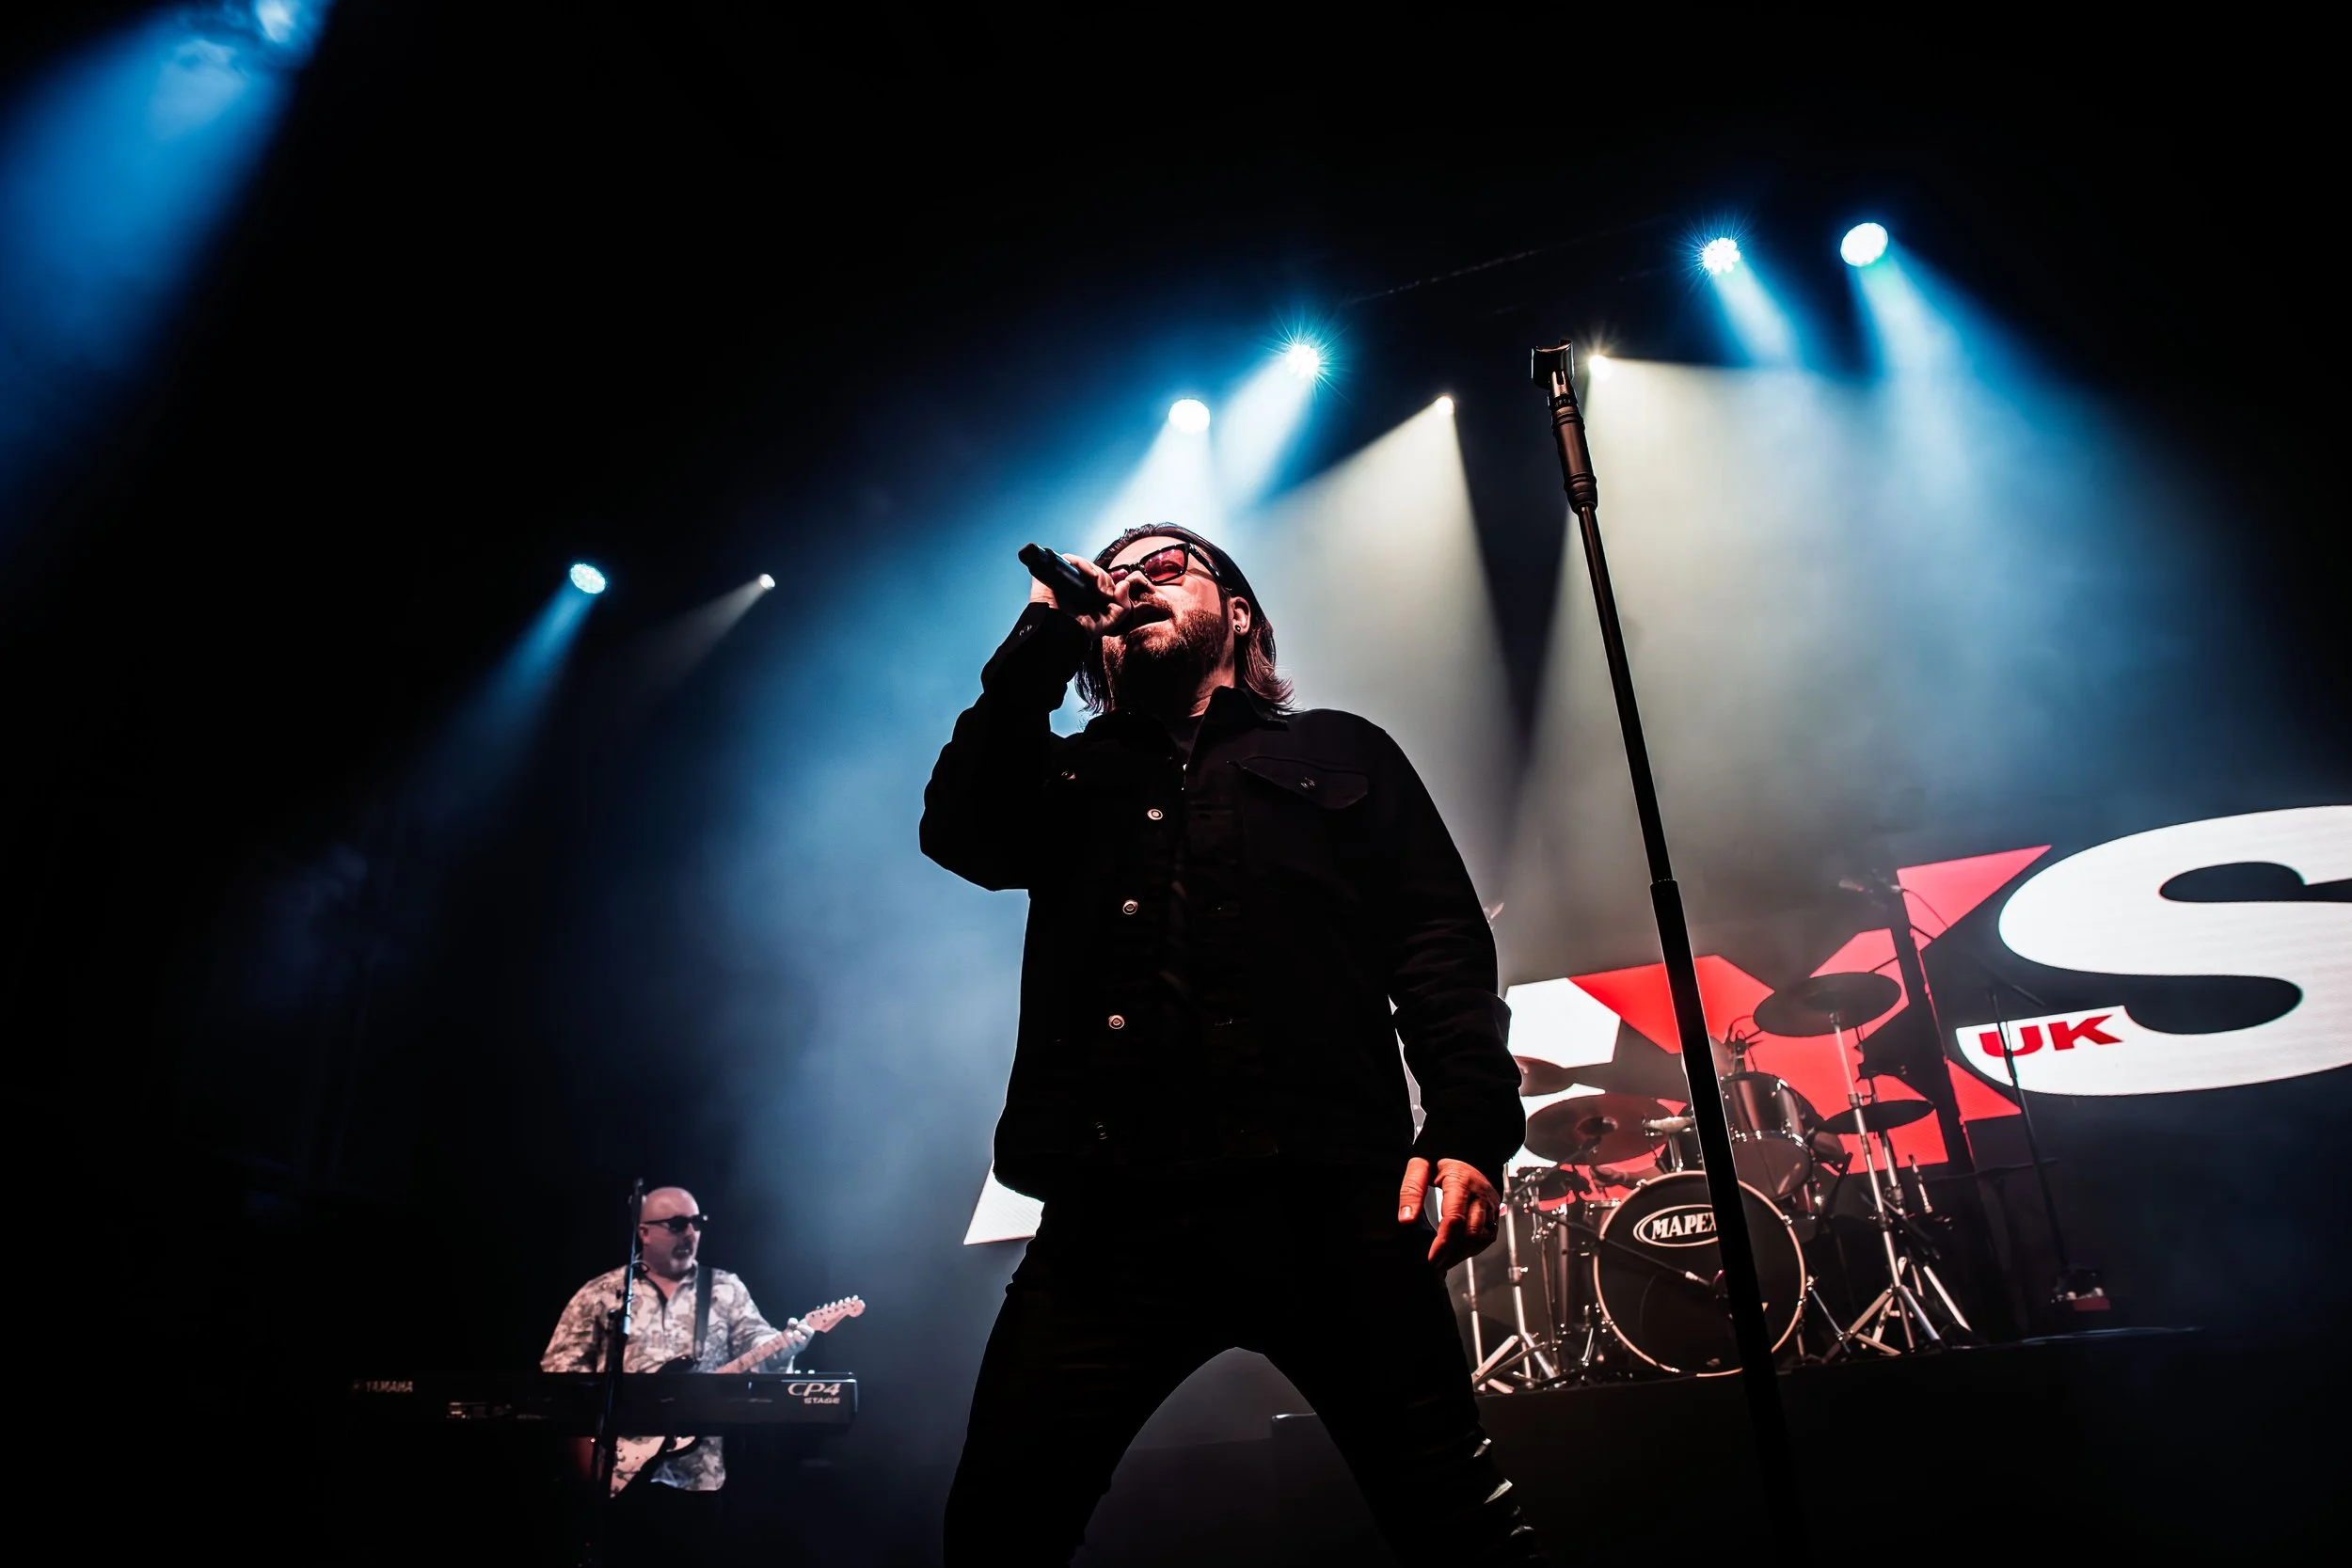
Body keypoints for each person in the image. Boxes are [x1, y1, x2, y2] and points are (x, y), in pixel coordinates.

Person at [922, 525, 1549, 1564]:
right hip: (1113, 1215)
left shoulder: (1340, 751)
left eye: (1167, 564)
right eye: (1119, 572)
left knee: (1459, 1527)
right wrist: (1044, 638)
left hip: (1331, 1201)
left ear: (1239, 612)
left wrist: (1470, 1127)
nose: (1134, 579)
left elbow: (1436, 941)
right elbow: (960, 832)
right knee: (997, 1531)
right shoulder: (1068, 774)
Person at [540, 1187, 810, 1561]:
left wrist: (784, 1347)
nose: (690, 1233)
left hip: (697, 1476)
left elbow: (757, 1341)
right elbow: (560, 1371)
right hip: (615, 1472)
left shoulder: (725, 1289)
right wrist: (587, 1449)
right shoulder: (602, 1292)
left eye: (697, 1223)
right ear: (644, 1232)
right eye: (678, 1224)